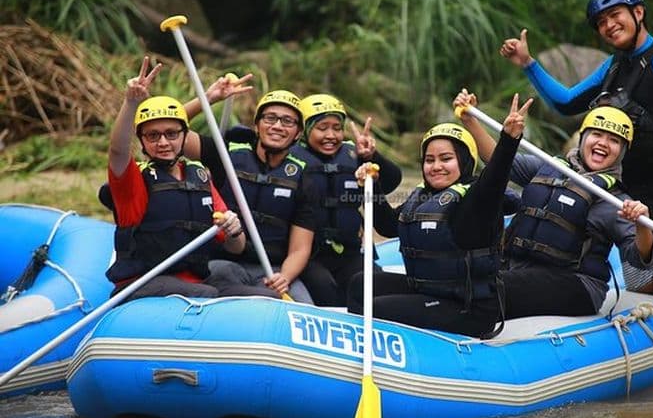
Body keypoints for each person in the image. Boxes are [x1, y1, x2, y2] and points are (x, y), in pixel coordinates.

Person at [499, 0, 653, 375]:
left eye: (615, 15)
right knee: (641, 277)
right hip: (626, 193)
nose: (608, 25)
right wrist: (529, 64)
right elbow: (568, 102)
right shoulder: (614, 66)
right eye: (601, 22)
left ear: (638, 13)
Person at [347, 94, 533, 337]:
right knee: (360, 283)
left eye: (446, 159)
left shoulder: (479, 198)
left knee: (377, 309)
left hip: (469, 308)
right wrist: (370, 187)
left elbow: (495, 177)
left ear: (465, 161)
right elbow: (388, 226)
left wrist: (509, 140)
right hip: (428, 291)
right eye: (429, 160)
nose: (436, 167)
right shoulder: (424, 197)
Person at [457, 91, 653, 318]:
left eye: (614, 140)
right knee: (463, 275)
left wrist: (642, 225)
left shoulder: (615, 200)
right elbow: (498, 160)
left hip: (577, 284)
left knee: (489, 287)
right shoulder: (549, 167)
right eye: (597, 134)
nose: (603, 143)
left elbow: (640, 258)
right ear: (583, 138)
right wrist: (469, 120)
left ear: (622, 152)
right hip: (519, 268)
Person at [105, 56, 246, 302]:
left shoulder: (199, 177)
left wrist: (235, 231)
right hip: (142, 285)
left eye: (171, 134)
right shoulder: (133, 180)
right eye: (153, 136)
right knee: (207, 295)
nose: (163, 143)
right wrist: (130, 103)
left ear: (184, 136)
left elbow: (237, 247)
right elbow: (117, 151)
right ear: (142, 142)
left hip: (195, 281)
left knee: (261, 294)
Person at [181, 80, 316, 303]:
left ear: (298, 133)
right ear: (257, 125)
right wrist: (209, 98)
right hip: (224, 263)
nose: (277, 126)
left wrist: (285, 277)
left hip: (272, 270)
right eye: (270, 118)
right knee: (244, 290)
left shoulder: (303, 178)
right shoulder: (225, 154)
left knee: (304, 305)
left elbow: (300, 248)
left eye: (288, 121)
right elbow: (168, 128)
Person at [289, 94, 403, 306]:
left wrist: (371, 157)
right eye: (322, 128)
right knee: (324, 288)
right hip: (309, 255)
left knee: (374, 284)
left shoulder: (355, 154)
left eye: (337, 128)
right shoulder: (290, 157)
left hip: (350, 252)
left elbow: (393, 179)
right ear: (304, 130)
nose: (331, 135)